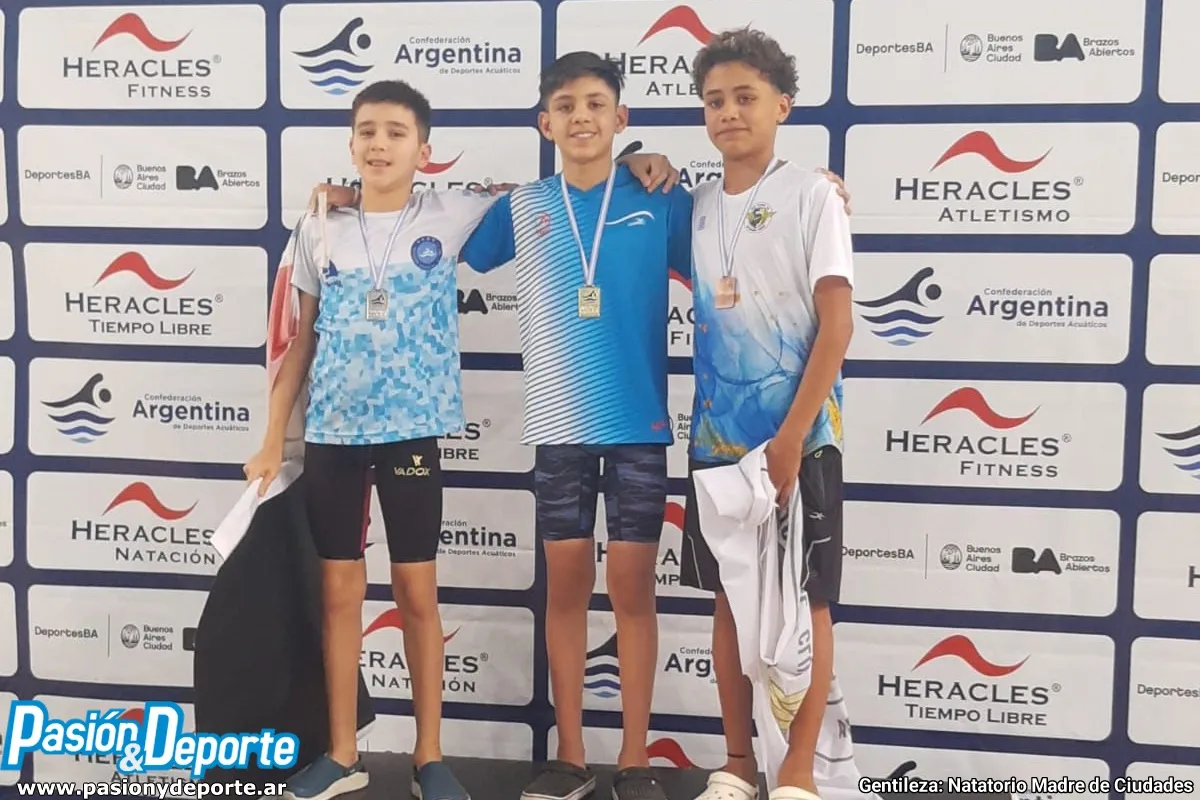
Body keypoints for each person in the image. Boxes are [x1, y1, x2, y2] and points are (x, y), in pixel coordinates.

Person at [260, 78, 674, 800]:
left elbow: (560, 185)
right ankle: (342, 752)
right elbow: (298, 343)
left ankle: (430, 757)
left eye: (396, 133)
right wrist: (272, 439)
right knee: (339, 593)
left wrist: (645, 158)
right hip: (332, 434)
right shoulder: (318, 225)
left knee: (417, 592)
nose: (380, 145)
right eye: (367, 132)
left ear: (424, 150)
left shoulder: (454, 210)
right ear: (350, 144)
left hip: (413, 435)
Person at [455, 52, 692, 800]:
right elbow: (434, 228)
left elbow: (738, 239)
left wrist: (821, 195)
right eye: (565, 106)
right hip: (559, 430)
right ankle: (570, 755)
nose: (581, 117)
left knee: (632, 593)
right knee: (565, 590)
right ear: (544, 123)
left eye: (595, 104)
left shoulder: (660, 197)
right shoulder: (521, 207)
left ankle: (635, 758)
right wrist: (344, 195)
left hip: (637, 431)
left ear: (621, 118)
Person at [680, 28, 855, 800]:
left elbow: (837, 326)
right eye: (714, 100)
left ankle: (800, 773)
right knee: (730, 602)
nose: (728, 112)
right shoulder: (694, 206)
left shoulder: (813, 195)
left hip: (800, 442)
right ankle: (738, 764)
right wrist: (645, 167)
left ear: (782, 105)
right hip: (718, 445)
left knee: (808, 606)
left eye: (745, 97)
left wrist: (789, 440)